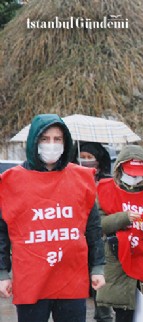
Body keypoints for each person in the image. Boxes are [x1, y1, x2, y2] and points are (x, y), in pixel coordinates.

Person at [0, 114, 106, 322]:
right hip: (31, 279)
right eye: (45, 139)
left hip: (71, 277)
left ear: (65, 143)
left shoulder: (81, 178)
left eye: (57, 139)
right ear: (34, 141)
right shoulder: (11, 181)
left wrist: (97, 267)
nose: (51, 145)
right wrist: (2, 272)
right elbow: (1, 231)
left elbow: (92, 228)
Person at [95, 145, 143, 322]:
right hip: (119, 259)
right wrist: (124, 218)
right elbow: (99, 225)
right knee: (124, 311)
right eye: (131, 173)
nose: (135, 178)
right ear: (120, 169)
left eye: (139, 174)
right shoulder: (106, 189)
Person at [75, 141, 114, 322]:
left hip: (100, 239)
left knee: (100, 280)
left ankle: (104, 314)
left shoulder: (107, 182)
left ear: (98, 161)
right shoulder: (73, 179)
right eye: (82, 157)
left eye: (90, 158)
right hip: (77, 239)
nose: (86, 161)